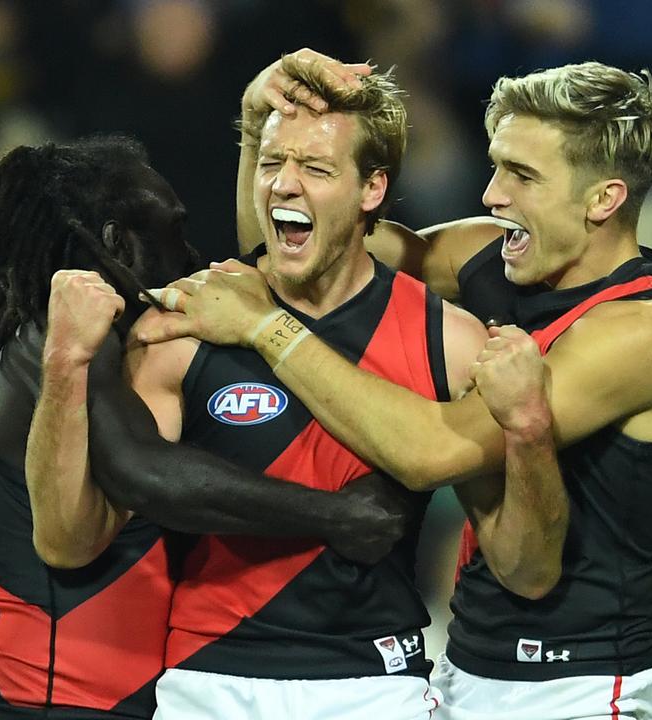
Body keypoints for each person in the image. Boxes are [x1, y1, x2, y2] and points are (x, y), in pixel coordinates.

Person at [140, 52, 652, 719]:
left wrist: (266, 329)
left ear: (604, 199)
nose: (493, 194)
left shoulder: (640, 336)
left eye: (522, 175)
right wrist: (260, 128)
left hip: (583, 685)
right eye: (496, 165)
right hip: (470, 667)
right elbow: (302, 260)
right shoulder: (491, 252)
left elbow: (430, 452)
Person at [0, 135, 412, 719]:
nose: (190, 253)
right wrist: (335, 516)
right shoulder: (51, 344)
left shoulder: (116, 350)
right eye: (173, 231)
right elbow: (142, 470)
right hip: (51, 708)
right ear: (117, 244)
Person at [125, 57, 517, 720]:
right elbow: (124, 509)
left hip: (374, 682)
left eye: (316, 168)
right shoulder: (181, 324)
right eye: (273, 160)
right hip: (206, 677)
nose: (284, 184)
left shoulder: (449, 341)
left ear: (372, 190)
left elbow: (507, 551)